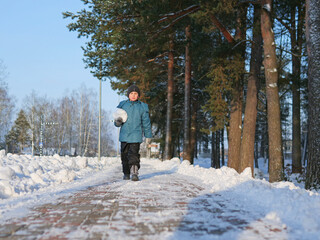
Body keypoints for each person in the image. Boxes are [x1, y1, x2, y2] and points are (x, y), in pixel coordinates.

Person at [114, 84, 152, 181]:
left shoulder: (142, 107)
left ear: (138, 95)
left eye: (135, 93)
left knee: (134, 154)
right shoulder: (122, 105)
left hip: (136, 135)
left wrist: (148, 135)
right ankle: (126, 173)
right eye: (131, 93)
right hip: (124, 135)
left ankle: (134, 172)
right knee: (124, 155)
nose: (133, 95)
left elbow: (146, 122)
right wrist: (117, 122)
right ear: (128, 94)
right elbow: (117, 120)